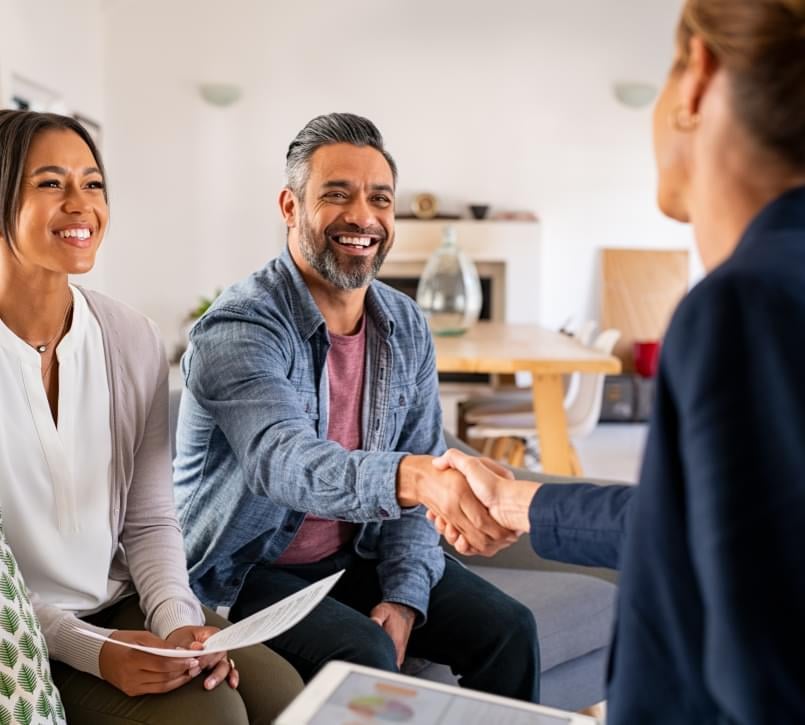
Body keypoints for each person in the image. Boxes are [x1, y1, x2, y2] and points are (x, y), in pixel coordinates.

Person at [430, 0, 805, 722]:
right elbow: (702, 529)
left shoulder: (747, 306)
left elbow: (766, 673)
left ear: (695, 76)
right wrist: (519, 501)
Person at [174, 112, 540, 702]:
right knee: (363, 654)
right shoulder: (240, 327)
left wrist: (403, 597)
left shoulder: (404, 323)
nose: (363, 217)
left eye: (380, 199)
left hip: (351, 554)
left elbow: (417, 484)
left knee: (510, 631)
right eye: (336, 195)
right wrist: (414, 476)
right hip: (244, 573)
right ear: (290, 207)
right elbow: (283, 461)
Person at [0, 110, 303, 724]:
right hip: (19, 634)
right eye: (51, 183)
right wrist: (94, 652)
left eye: (93, 184)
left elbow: (150, 520)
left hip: (117, 602)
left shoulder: (130, 337)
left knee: (285, 695)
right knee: (210, 718)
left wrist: (180, 624)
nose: (81, 205)